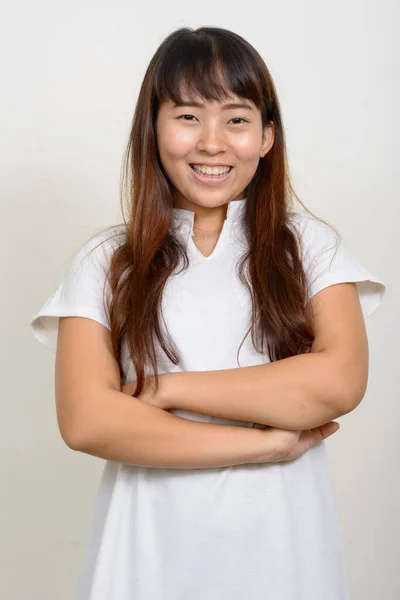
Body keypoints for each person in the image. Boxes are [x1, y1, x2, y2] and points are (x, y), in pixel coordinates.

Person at [30, 26, 386, 600]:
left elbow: (337, 381)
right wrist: (263, 444)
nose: (212, 143)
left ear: (268, 136)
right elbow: (87, 420)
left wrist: (169, 390)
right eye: (188, 116)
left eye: (237, 118)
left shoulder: (309, 246)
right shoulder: (107, 261)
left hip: (283, 558)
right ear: (153, 128)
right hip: (143, 559)